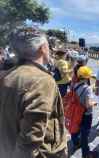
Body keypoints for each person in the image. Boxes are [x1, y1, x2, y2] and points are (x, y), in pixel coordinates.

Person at [0, 27, 67, 158]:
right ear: (43, 48)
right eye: (48, 46)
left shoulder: (6, 75)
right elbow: (30, 140)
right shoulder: (42, 80)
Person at [71, 66, 98, 158]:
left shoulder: (74, 85)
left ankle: (76, 142)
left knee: (77, 129)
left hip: (76, 113)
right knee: (85, 135)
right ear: (87, 77)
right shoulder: (87, 89)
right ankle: (86, 154)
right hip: (86, 114)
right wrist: (94, 103)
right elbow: (88, 104)